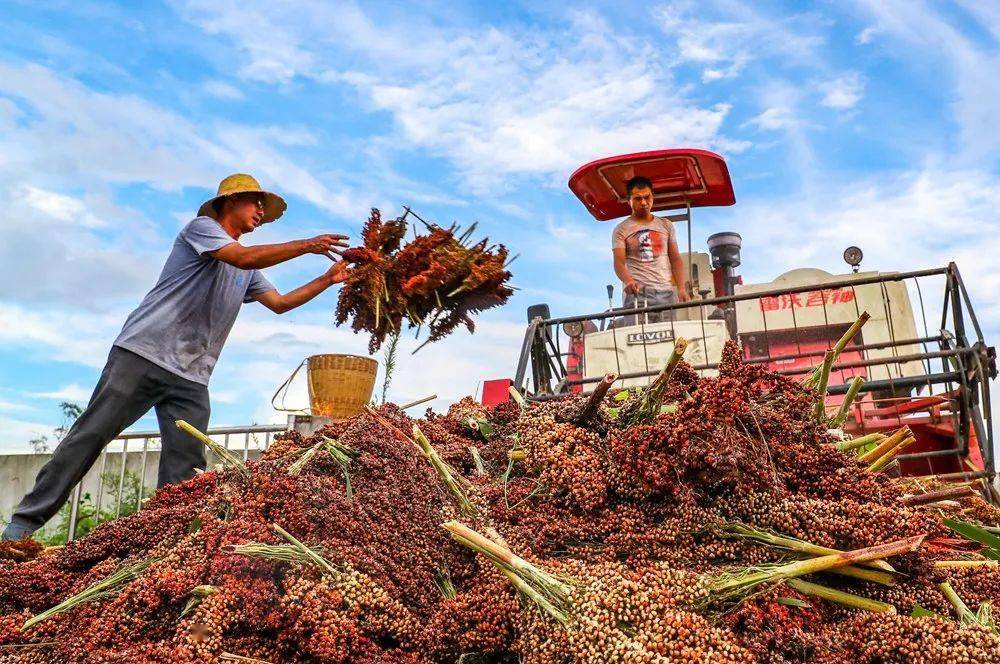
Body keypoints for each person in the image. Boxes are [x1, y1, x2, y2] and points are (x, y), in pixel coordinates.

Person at [2, 174, 350, 540]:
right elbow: (242, 257)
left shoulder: (248, 271)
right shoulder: (202, 229)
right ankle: (22, 524)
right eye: (255, 202)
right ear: (230, 201)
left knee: (186, 470)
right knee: (90, 436)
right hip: (143, 353)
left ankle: (165, 544)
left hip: (192, 378)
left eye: (264, 206)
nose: (261, 211)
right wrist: (307, 245)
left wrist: (326, 280)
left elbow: (280, 304)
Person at [611, 176, 690, 324]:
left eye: (647, 197)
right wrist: (628, 281)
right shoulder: (621, 230)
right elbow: (619, 263)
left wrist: (681, 288)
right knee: (637, 344)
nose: (643, 202)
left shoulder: (666, 225)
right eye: (637, 199)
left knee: (670, 343)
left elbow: (675, 258)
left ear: (652, 196)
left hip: (666, 295)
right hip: (638, 296)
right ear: (629, 200)